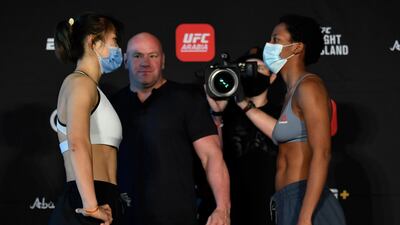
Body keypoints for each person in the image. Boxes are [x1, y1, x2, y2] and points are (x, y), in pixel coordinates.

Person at [235, 15, 347, 225]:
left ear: (297, 48)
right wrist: (243, 103)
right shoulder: (291, 92)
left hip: (308, 202)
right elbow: (279, 133)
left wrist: (305, 216)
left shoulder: (309, 87)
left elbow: (322, 153)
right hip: (288, 201)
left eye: (276, 40)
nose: (269, 45)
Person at [111, 32, 231, 225]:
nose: (145, 62)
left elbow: (212, 157)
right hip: (123, 216)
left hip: (176, 216)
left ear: (163, 61)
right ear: (125, 60)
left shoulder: (187, 99)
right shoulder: (111, 105)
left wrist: (222, 208)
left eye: (153, 55)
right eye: (137, 55)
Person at [49, 12, 124, 225]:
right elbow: (77, 142)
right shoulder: (79, 83)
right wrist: (91, 207)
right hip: (87, 203)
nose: (118, 49)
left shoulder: (89, 86)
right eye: (114, 41)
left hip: (102, 198)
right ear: (93, 42)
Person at [205, 47, 282, 225]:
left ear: (272, 77)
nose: (252, 74)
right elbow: (213, 154)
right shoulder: (227, 112)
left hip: (271, 203)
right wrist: (217, 115)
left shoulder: (282, 112)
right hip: (233, 203)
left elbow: (281, 135)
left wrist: (243, 103)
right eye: (246, 69)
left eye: (259, 68)